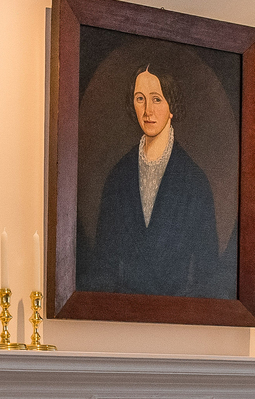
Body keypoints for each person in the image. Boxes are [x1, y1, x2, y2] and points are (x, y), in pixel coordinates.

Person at [81, 67, 227, 297]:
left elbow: (207, 275)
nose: (148, 110)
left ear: (171, 106)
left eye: (157, 99)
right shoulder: (118, 177)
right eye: (140, 99)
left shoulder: (194, 182)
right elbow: (103, 266)